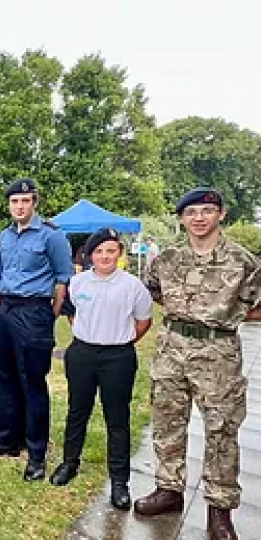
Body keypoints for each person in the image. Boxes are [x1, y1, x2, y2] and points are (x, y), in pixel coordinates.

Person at [135, 188, 261, 540]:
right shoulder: (167, 259)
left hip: (218, 354)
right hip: (172, 350)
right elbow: (156, 292)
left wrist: (224, 317)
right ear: (182, 218)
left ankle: (219, 510)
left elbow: (258, 304)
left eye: (207, 210)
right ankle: (168, 490)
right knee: (167, 423)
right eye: (192, 212)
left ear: (221, 214)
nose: (199, 218)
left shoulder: (243, 261)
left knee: (222, 432)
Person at [0, 179, 73, 482]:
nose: (19, 206)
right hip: (6, 307)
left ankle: (36, 453)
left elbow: (62, 280)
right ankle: (7, 439)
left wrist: (48, 314)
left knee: (32, 382)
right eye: (14, 201)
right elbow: (4, 273)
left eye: (25, 201)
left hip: (34, 311)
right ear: (9, 205)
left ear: (35, 203)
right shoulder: (4, 236)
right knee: (2, 378)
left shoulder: (52, 236)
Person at [49, 227, 153, 511]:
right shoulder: (78, 283)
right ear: (89, 255)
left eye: (110, 250)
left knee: (117, 418)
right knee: (77, 411)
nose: (105, 256)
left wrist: (122, 340)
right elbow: (71, 314)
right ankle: (69, 463)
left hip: (118, 357)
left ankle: (120, 482)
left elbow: (144, 321)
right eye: (99, 251)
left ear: (119, 253)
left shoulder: (133, 286)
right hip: (82, 353)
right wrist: (88, 335)